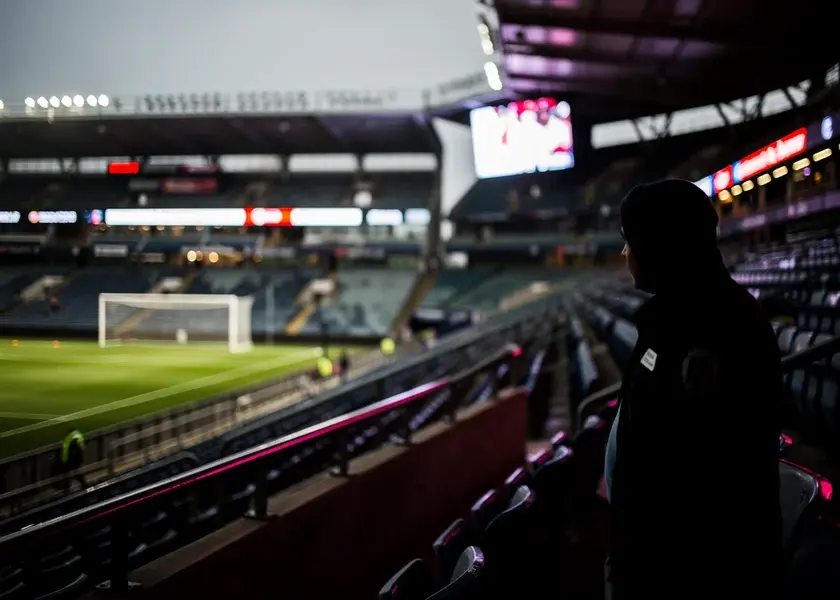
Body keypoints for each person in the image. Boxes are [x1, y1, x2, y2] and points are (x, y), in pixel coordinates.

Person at [605, 179, 782, 598]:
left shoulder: (718, 327)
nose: (624, 253)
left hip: (692, 571)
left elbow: (693, 473)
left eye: (630, 241)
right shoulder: (671, 315)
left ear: (659, 245)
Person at [60, 427, 87, 493]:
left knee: (68, 474)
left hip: (71, 459)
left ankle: (67, 489)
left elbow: (71, 448)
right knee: (76, 473)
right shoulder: (78, 436)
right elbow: (82, 447)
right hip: (75, 459)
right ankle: (83, 485)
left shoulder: (72, 437)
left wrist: (68, 458)